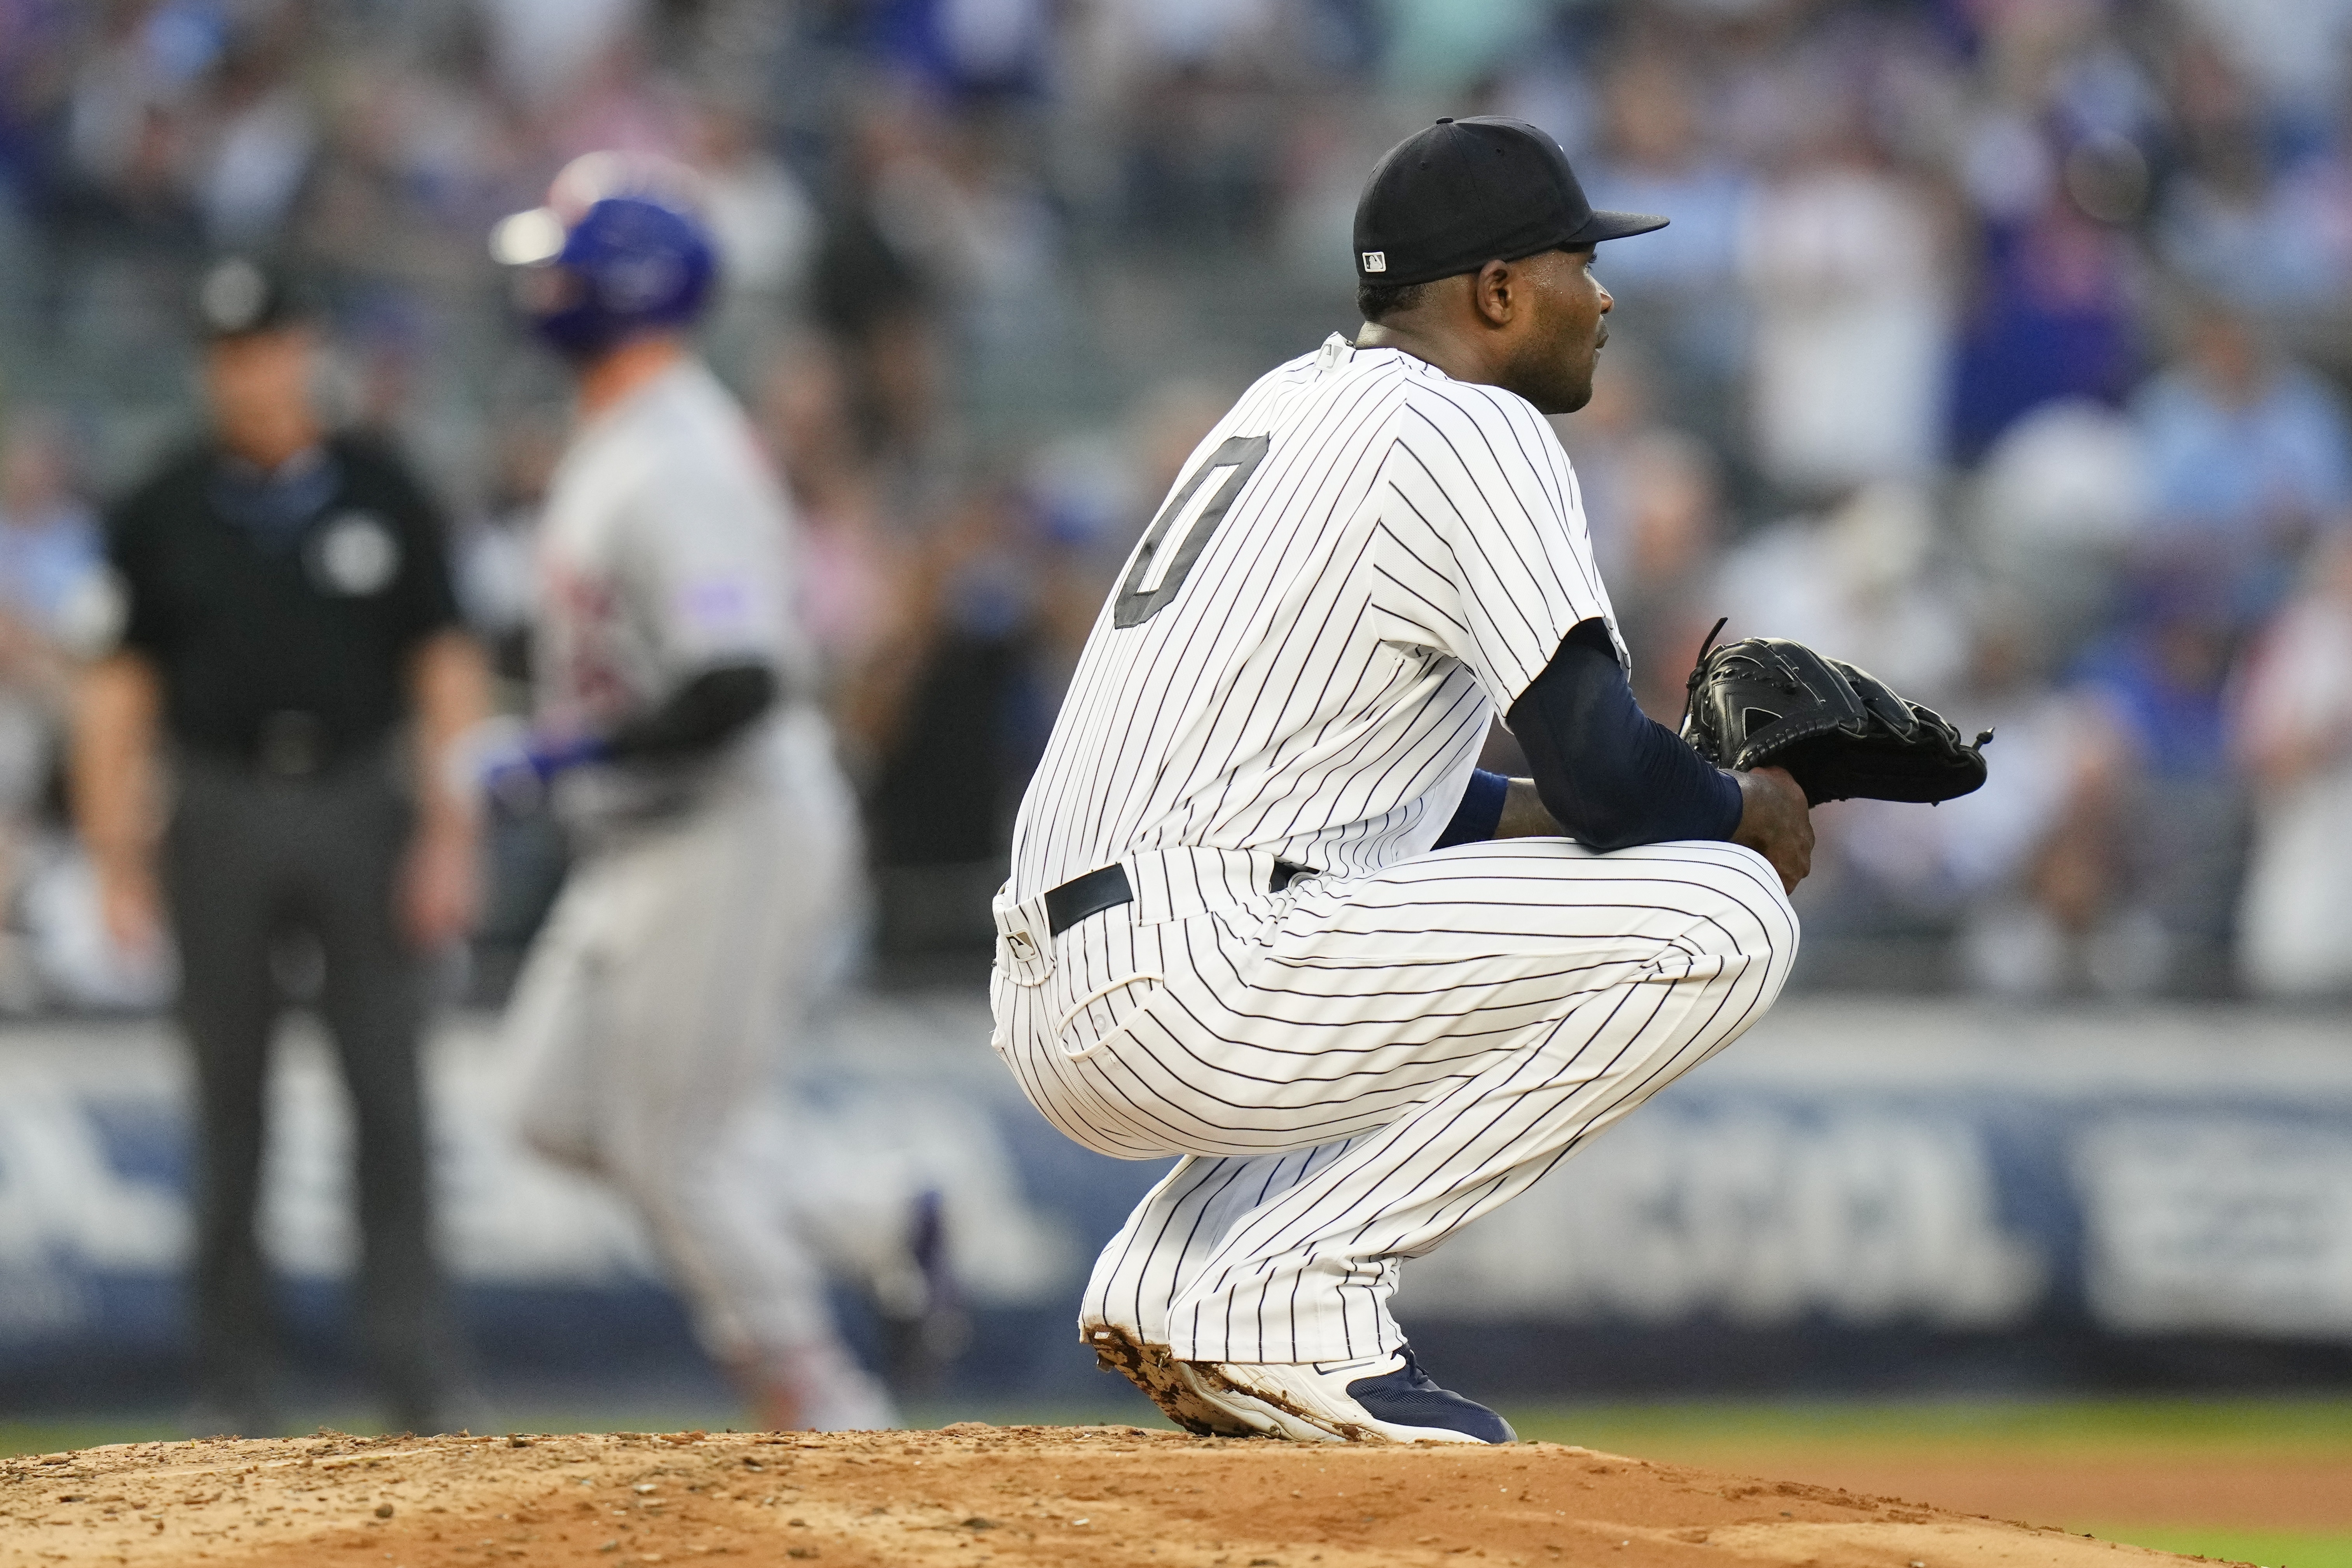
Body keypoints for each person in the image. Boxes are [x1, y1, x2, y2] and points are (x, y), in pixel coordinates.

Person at [990, 117, 1813, 1445]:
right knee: (1723, 913)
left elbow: (1404, 798)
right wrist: (1744, 811)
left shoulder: (1287, 405)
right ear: (1495, 291)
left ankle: (1178, 1276)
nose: (1599, 295)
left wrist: (1628, 815)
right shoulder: (1468, 426)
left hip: (1069, 976)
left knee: (1559, 879)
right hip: (1203, 969)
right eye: (1573, 263)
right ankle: (1292, 1283)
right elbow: (1605, 772)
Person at [484, 152, 907, 1433]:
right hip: (652, 836)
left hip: (727, 826)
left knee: (682, 1150)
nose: (537, 282)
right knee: (551, 1110)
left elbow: (739, 679)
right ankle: (874, 1218)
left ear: (615, 285)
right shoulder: (628, 432)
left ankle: (828, 1411)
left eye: (558, 259)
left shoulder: (677, 454)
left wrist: (559, 754)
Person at [70, 256, 488, 1436]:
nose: (246, 375)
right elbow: (116, 690)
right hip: (216, 803)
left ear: (305, 351)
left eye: (264, 348)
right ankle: (235, 1384)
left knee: (388, 1097)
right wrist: (114, 856)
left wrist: (451, 832)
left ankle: (417, 1374)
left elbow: (445, 666)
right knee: (228, 1103)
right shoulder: (163, 504)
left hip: (362, 798)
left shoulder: (380, 487)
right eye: (225, 354)